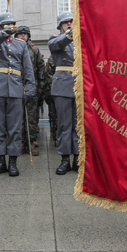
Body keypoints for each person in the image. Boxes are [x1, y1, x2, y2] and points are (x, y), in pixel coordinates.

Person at [0, 12, 35, 177]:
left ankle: (13, 162)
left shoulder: (21, 44)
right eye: (5, 25)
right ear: (0, 27)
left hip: (14, 88)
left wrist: (30, 88)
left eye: (11, 24)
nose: (8, 27)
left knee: (15, 128)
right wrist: (5, 32)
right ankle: (0, 162)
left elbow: (27, 68)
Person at [49, 11, 80, 175]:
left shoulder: (80, 41)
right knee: (64, 125)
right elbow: (56, 46)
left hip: (79, 85)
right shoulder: (55, 38)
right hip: (62, 86)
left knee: (78, 125)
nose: (69, 23)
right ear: (60, 25)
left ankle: (77, 159)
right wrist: (69, 34)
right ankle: (64, 160)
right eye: (66, 22)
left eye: (71, 21)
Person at [15, 26, 45, 156]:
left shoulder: (34, 50)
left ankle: (31, 141)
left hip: (32, 87)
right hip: (17, 86)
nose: (22, 36)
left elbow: (41, 70)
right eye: (20, 34)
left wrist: (40, 88)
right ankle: (21, 142)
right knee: (18, 117)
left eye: (25, 34)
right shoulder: (13, 48)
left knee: (32, 117)